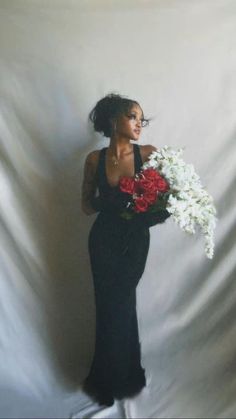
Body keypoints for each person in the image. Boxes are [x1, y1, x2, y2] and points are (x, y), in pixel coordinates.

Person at [81, 93, 170, 407]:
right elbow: (85, 206)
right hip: (103, 239)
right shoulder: (94, 159)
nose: (139, 124)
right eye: (133, 117)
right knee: (108, 305)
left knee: (120, 301)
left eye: (141, 119)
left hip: (135, 239)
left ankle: (123, 376)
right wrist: (108, 201)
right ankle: (111, 379)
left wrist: (148, 206)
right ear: (114, 120)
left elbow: (167, 196)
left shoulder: (149, 153)